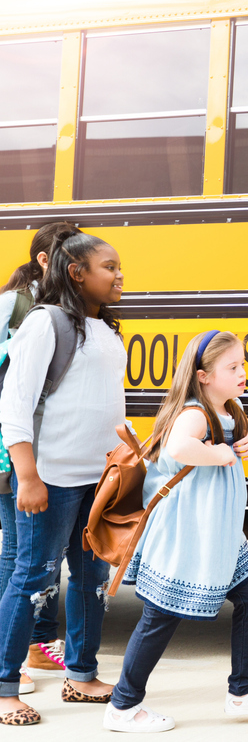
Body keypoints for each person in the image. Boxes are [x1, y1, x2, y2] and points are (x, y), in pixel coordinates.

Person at [103, 331, 248, 733]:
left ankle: (243, 692)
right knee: (160, 616)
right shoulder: (195, 413)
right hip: (189, 534)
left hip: (216, 533)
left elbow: (246, 427)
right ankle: (122, 707)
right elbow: (177, 449)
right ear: (203, 376)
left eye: (243, 364)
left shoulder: (226, 406)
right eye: (232, 367)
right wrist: (217, 454)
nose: (243, 372)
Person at [0, 233, 127, 726]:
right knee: (33, 577)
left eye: (120, 268)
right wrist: (27, 475)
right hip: (50, 478)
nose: (119, 276)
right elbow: (15, 402)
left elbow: (103, 400)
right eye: (108, 267)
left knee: (93, 580)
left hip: (100, 479)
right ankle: (5, 687)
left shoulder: (107, 331)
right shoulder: (45, 323)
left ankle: (81, 675)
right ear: (76, 272)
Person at [0, 221, 80, 694]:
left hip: (49, 444)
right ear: (46, 260)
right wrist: (28, 341)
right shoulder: (15, 304)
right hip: (11, 444)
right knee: (19, 551)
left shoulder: (71, 308)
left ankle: (36, 642)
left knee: (45, 553)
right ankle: (12, 658)